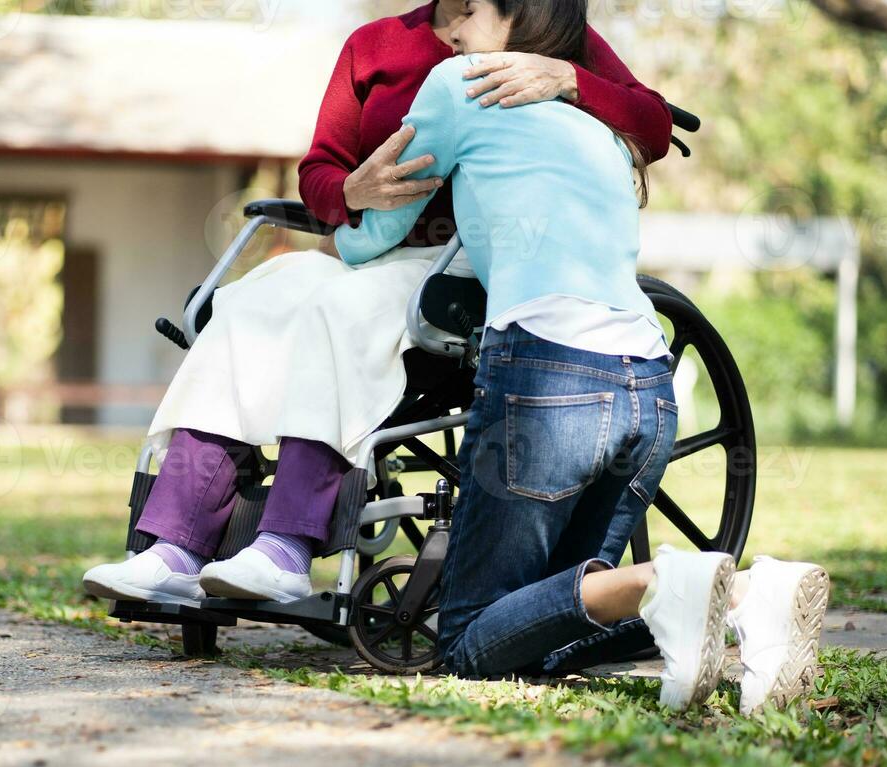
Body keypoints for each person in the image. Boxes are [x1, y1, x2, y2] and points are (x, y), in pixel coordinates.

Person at [83, 0, 671, 608]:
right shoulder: (376, 45)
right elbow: (318, 170)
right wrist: (348, 189)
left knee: (342, 309)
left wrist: (569, 77)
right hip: (373, 246)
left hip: (468, 258)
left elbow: (652, 123)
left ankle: (287, 545)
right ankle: (175, 546)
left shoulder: (534, 24)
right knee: (247, 302)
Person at [335, 0, 831, 714]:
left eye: (470, 11)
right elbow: (650, 121)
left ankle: (665, 586)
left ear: (520, 14)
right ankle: (752, 596)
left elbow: (373, 232)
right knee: (548, 623)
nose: (449, 31)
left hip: (546, 380)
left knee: (469, 641)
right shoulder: (602, 127)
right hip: (650, 390)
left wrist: (346, 212)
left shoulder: (457, 84)